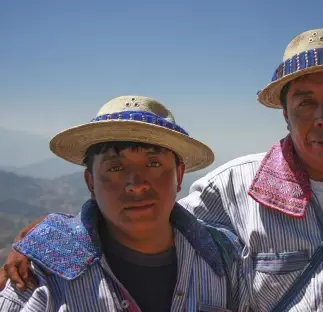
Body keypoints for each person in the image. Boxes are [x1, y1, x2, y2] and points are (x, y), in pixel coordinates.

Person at [1, 28, 323, 311]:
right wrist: (54, 236)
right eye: (305, 102)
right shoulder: (233, 188)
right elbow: (143, 216)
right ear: (285, 113)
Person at [0, 95, 248, 312]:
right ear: (91, 183)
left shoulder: (226, 261)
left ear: (179, 175)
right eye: (115, 167)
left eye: (153, 164)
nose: (136, 184)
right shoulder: (41, 271)